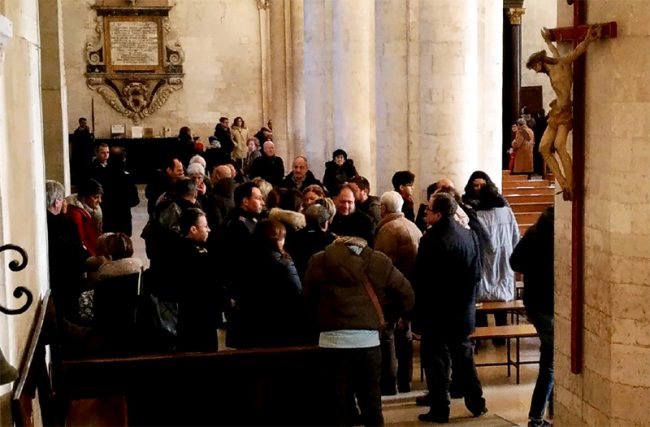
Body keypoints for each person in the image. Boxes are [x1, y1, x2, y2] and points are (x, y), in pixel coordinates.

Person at [304, 232, 414, 426]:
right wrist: (388, 318)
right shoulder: (379, 261)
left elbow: (308, 299)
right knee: (371, 402)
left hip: (331, 342)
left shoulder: (318, 261)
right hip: (367, 342)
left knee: (337, 405)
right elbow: (407, 294)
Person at [411, 192, 487, 423]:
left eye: (428, 209)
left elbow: (422, 281)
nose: (425, 212)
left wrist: (416, 316)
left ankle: (440, 408)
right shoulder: (468, 234)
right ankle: (477, 403)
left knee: (436, 362)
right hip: (462, 310)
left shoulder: (431, 240)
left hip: (437, 312)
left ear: (439, 214)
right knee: (464, 358)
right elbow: (477, 273)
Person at [526, 24, 601, 201]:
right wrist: (548, 41)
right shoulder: (552, 66)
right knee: (543, 147)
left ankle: (571, 184)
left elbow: (576, 52)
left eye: (534, 67)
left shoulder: (561, 64)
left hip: (565, 111)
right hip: (556, 111)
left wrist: (588, 39)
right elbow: (554, 52)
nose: (536, 71)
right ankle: (562, 181)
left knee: (559, 145)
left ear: (539, 62)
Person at [374, 191, 422, 395]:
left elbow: (382, 266)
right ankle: (405, 380)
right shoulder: (412, 226)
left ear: (383, 209)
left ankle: (389, 382)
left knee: (388, 335)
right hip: (410, 289)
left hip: (394, 291)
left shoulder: (388, 231)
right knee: (405, 334)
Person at [510, 207, 554, 427]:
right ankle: (536, 417)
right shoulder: (557, 241)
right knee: (550, 364)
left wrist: (532, 270)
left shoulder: (533, 235)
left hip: (535, 303)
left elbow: (514, 262)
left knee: (551, 359)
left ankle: (553, 407)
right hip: (549, 306)